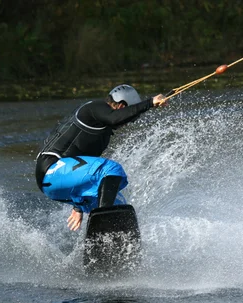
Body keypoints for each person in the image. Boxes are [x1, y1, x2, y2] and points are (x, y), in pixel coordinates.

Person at [35, 84, 167, 231]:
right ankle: (105, 226)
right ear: (121, 106)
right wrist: (150, 103)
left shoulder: (102, 135)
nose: (129, 122)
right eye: (130, 116)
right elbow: (115, 118)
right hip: (51, 169)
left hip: (59, 182)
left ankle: (108, 244)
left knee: (119, 204)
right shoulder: (94, 107)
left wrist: (78, 206)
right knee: (112, 169)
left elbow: (84, 172)